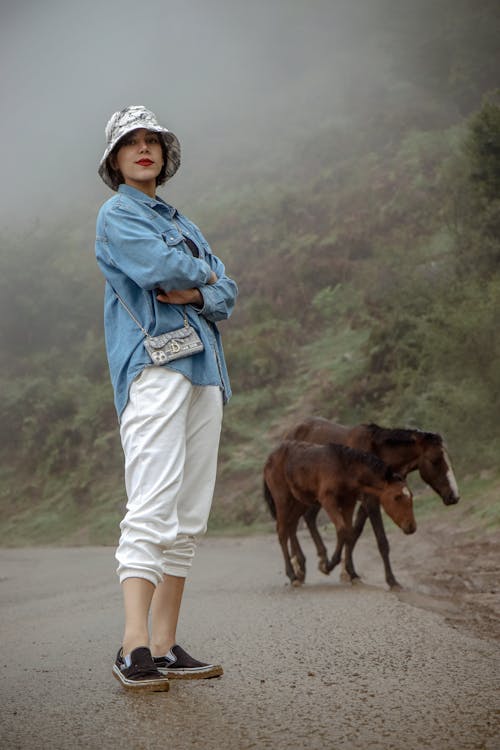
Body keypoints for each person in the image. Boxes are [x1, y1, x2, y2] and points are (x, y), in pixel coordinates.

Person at [95, 105, 238, 692]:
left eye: (153, 141)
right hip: (154, 366)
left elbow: (227, 290)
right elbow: (160, 269)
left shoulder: (184, 221)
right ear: (116, 159)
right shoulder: (116, 215)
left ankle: (164, 643)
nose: (144, 149)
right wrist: (204, 275)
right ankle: (133, 646)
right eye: (131, 143)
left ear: (165, 155)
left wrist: (201, 285)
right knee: (151, 505)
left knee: (188, 516)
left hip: (205, 372)